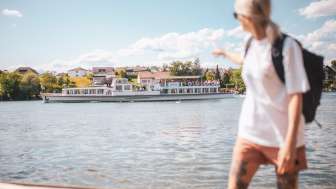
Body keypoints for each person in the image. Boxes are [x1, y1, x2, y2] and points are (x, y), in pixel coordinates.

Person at [213, 0, 310, 188]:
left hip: (284, 138)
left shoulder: (287, 46)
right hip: (249, 134)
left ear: (247, 18)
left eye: (236, 16)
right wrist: (224, 53)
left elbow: (296, 96)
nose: (237, 20)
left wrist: (289, 145)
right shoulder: (249, 43)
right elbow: (243, 61)